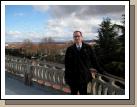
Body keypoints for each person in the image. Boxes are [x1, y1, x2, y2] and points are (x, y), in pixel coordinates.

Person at [64, 31, 103, 95]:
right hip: (73, 78)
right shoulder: (70, 49)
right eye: (75, 36)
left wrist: (101, 70)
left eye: (78, 36)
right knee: (73, 93)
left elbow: (94, 61)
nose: (76, 38)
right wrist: (67, 77)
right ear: (73, 38)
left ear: (82, 37)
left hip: (84, 77)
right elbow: (67, 64)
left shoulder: (88, 48)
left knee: (83, 94)